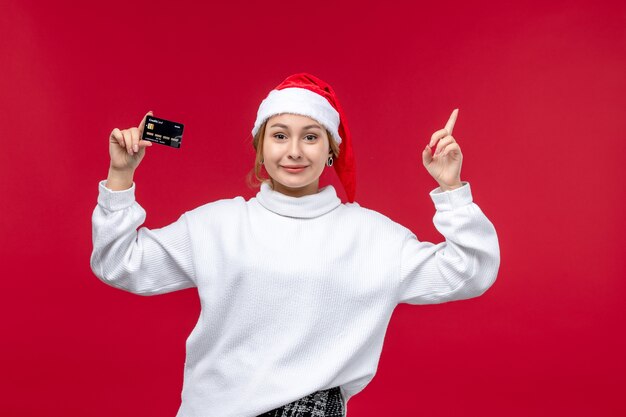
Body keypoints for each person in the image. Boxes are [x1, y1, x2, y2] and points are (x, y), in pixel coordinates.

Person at [90, 73, 500, 417]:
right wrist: (120, 177)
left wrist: (451, 189)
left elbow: (469, 271)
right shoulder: (216, 225)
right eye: (280, 135)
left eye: (310, 137)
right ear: (260, 148)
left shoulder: (373, 237)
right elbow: (121, 263)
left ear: (330, 151)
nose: (294, 151)